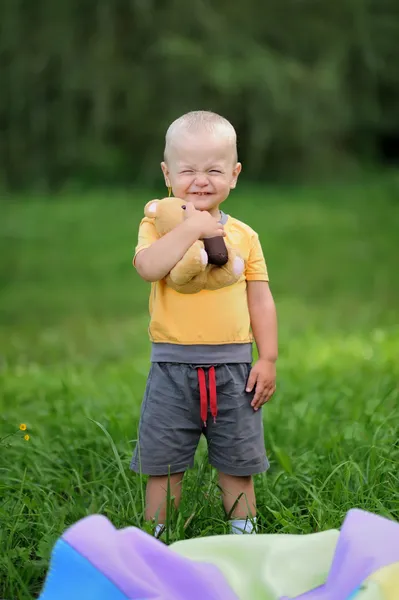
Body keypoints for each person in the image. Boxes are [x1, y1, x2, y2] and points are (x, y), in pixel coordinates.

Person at [131, 110, 278, 537]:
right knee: (164, 463)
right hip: (171, 370)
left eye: (214, 170)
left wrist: (267, 357)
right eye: (188, 170)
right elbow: (148, 267)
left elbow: (260, 297)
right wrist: (192, 226)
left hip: (234, 369)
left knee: (238, 461)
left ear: (234, 175)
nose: (200, 180)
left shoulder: (244, 236)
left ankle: (244, 537)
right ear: (166, 174)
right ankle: (158, 540)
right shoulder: (156, 226)